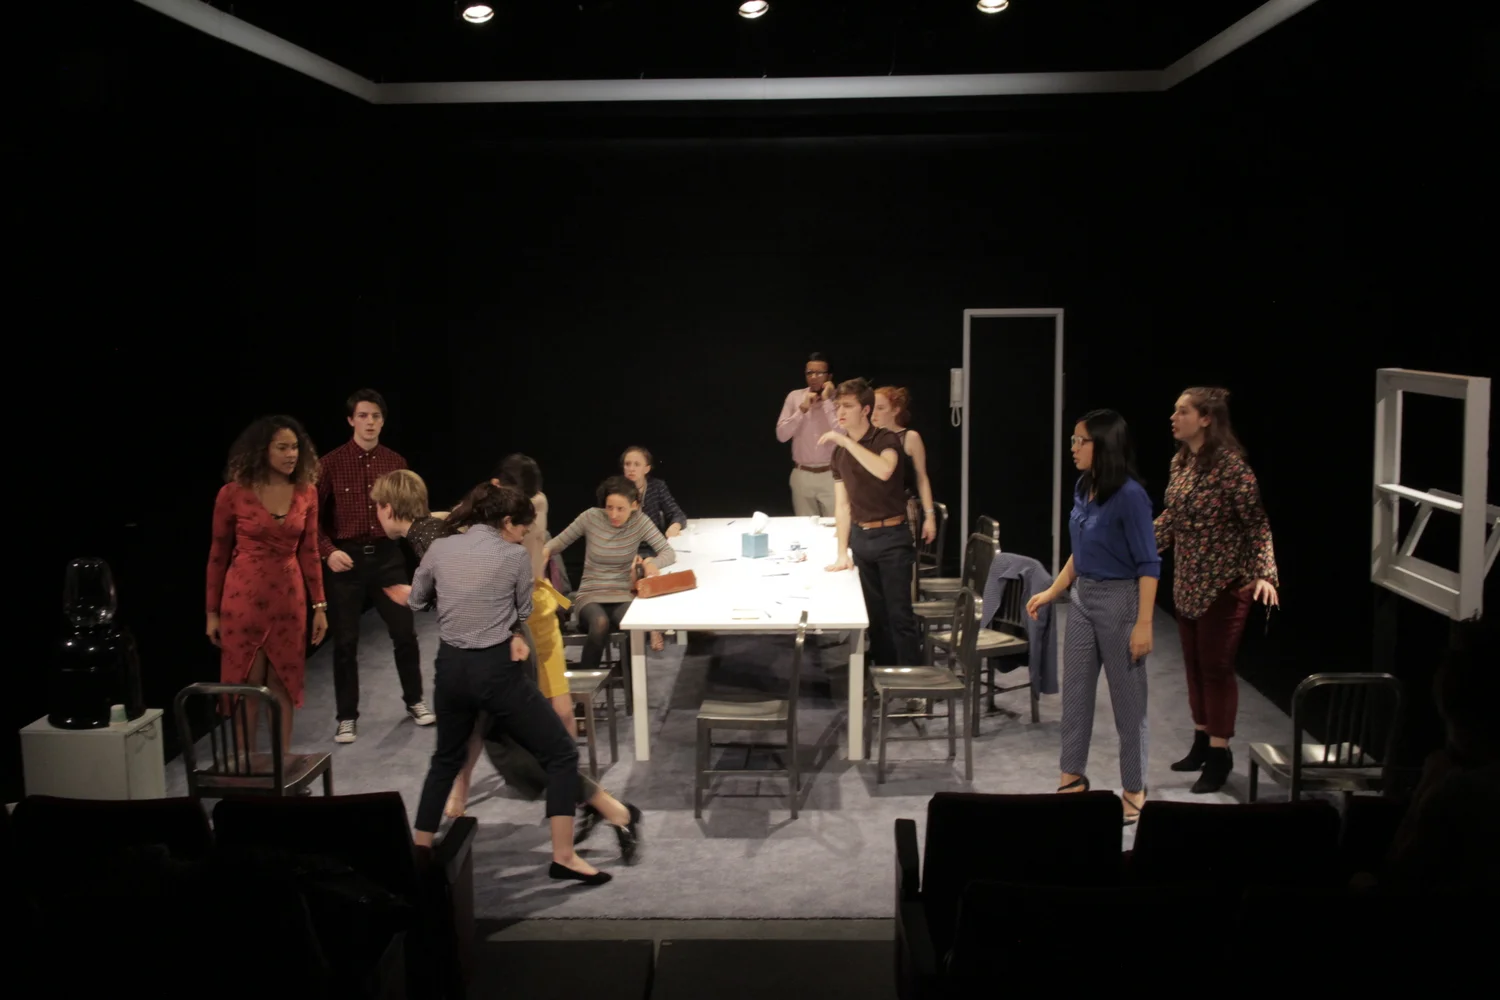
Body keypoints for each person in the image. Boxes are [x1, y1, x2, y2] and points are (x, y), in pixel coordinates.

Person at [392, 484, 640, 883]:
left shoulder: (440, 548)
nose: (524, 537)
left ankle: (418, 855)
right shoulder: (512, 557)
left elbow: (419, 601)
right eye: (523, 530)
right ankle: (564, 857)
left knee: (444, 760)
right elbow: (522, 610)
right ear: (507, 523)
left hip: (450, 670)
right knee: (561, 753)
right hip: (496, 672)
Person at [1027, 410, 1159, 825]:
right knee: (1077, 697)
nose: (1073, 448)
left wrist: (1144, 624)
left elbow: (1149, 564)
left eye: (1079, 441)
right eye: (1073, 440)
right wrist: (1053, 590)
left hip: (1121, 602)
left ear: (1102, 446)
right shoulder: (1084, 487)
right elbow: (1080, 550)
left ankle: (1134, 788)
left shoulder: (1131, 496)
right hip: (1083, 598)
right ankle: (1071, 777)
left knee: (1128, 704)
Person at [1155, 387, 1280, 793]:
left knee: (1216, 668)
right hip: (1187, 580)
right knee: (1193, 665)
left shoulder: (1232, 468)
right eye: (1175, 411)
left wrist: (1264, 573)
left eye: (1183, 411)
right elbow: (1172, 518)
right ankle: (1201, 740)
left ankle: (1220, 753)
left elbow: (1256, 523)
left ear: (1206, 419)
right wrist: (1137, 546)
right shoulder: (1181, 461)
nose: (1174, 417)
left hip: (1224, 584)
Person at [205, 416, 328, 755]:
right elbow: (217, 555)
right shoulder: (233, 493)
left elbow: (310, 551)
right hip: (243, 598)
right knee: (248, 683)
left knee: (283, 682)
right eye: (282, 448)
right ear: (263, 450)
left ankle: (281, 764)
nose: (291, 455)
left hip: (289, 599)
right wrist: (211, 613)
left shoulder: (306, 492)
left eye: (295, 448)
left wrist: (319, 605)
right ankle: (246, 765)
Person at [317, 388, 432, 744]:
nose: (370, 422)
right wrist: (327, 552)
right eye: (363, 416)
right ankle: (346, 716)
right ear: (350, 420)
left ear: (383, 421)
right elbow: (310, 519)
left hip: (386, 556)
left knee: (404, 632)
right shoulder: (330, 463)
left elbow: (412, 512)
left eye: (376, 416)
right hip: (346, 557)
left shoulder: (395, 461)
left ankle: (415, 700)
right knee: (345, 641)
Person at [822, 378, 921, 668]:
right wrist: (842, 552)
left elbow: (885, 469)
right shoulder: (839, 453)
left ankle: (911, 680)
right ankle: (883, 675)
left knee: (899, 615)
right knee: (875, 617)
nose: (841, 412)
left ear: (865, 410)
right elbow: (842, 505)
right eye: (838, 406)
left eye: (848, 406)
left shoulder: (885, 439)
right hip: (862, 538)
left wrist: (846, 442)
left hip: (891, 537)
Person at [544, 476, 676, 673]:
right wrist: (542, 554)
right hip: (591, 593)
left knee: (636, 626)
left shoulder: (640, 521)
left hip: (622, 593)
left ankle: (627, 678)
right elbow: (557, 543)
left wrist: (651, 563)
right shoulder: (591, 517)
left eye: (620, 509)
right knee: (600, 623)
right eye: (609, 507)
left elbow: (668, 552)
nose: (613, 514)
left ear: (634, 506)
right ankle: (587, 684)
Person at [621, 445, 687, 652]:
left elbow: (677, 513)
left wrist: (674, 525)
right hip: (626, 547)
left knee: (653, 568)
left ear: (647, 468)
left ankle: (654, 624)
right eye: (627, 464)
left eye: (636, 464)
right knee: (636, 570)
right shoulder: (617, 490)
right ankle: (651, 626)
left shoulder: (657, 487)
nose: (631, 469)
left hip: (653, 547)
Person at [775, 351, 841, 516]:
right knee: (805, 526)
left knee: (835, 525)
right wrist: (802, 410)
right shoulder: (795, 397)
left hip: (831, 473)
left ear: (829, 376)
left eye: (819, 373)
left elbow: (843, 433)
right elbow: (782, 435)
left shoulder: (839, 398)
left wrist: (827, 401)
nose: (813, 377)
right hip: (802, 473)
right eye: (809, 373)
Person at [872, 386, 938, 545]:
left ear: (895, 410)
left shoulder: (910, 437)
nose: (874, 413)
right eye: (872, 407)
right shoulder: (868, 438)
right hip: (871, 508)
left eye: (880, 408)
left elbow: (922, 478)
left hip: (902, 508)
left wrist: (930, 516)